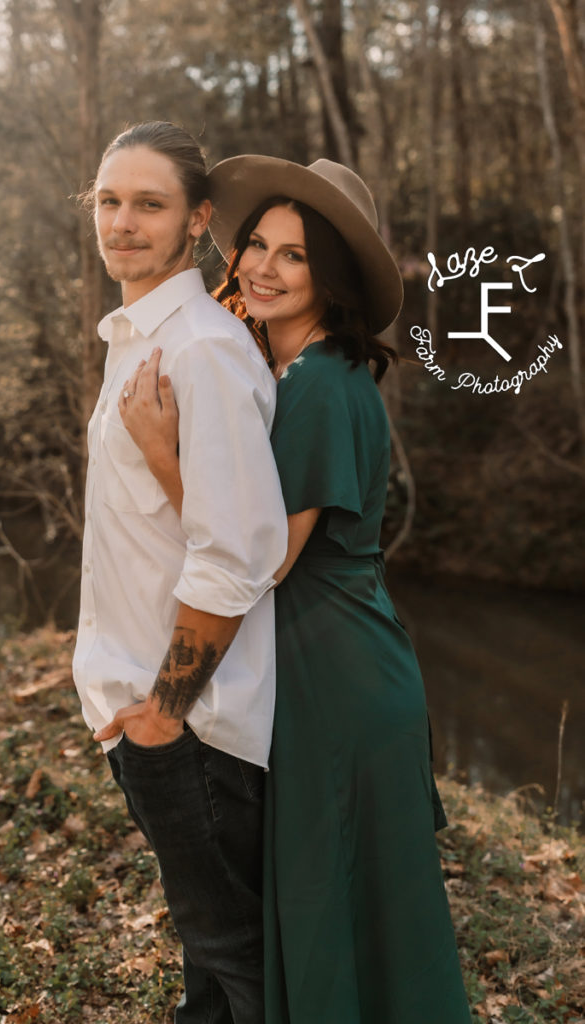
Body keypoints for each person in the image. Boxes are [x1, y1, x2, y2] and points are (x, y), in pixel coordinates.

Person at [121, 155, 472, 1024]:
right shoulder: (291, 371)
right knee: (348, 901)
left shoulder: (320, 383)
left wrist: (159, 450)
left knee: (333, 895)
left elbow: (263, 558)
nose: (260, 269)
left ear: (333, 279)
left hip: (337, 672)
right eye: (255, 247)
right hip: (331, 656)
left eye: (294, 257)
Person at [71, 122, 288, 1024]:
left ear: (197, 221)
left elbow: (238, 553)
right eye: (109, 200)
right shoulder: (140, 334)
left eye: (148, 204)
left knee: (234, 961)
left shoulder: (200, 347)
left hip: (195, 724)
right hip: (151, 707)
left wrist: (164, 712)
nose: (122, 222)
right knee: (211, 959)